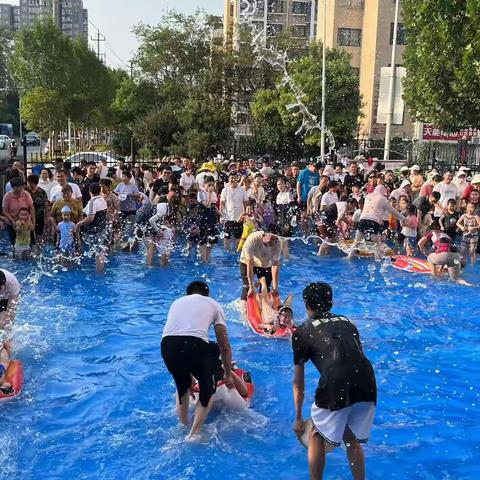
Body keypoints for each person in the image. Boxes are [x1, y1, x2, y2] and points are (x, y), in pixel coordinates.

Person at [292, 282, 377, 480]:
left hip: (337, 382)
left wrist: (297, 417)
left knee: (315, 435)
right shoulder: (348, 322)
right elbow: (352, 356)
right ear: (331, 302)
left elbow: (298, 382)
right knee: (350, 436)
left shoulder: (302, 332)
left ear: (306, 303)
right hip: (368, 381)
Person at [161, 281, 234, 440]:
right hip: (195, 346)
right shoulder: (213, 304)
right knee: (208, 387)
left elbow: (178, 337)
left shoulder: (176, 303)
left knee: (182, 385)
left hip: (167, 346)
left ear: (189, 294)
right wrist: (227, 373)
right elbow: (224, 344)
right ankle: (195, 433)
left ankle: (182, 424)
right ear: (206, 295)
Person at [348, 185, 405, 260]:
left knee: (356, 242)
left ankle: (349, 257)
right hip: (373, 222)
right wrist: (403, 218)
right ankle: (377, 260)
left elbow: (373, 209)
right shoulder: (383, 199)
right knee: (377, 244)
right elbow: (392, 211)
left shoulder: (368, 196)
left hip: (362, 220)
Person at [239, 226, 281, 305]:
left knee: (266, 288)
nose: (274, 241)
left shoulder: (278, 242)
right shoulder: (253, 239)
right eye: (272, 238)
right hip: (246, 262)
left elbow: (275, 265)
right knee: (247, 287)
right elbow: (250, 264)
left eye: (275, 239)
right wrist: (251, 286)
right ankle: (243, 308)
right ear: (264, 235)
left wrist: (275, 287)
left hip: (265, 263)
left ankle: (264, 305)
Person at [74, 183, 108, 273]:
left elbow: (90, 218)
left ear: (90, 192)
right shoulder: (102, 200)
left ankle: (99, 272)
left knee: (97, 252)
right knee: (100, 251)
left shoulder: (93, 202)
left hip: (94, 231)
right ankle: (101, 270)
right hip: (102, 229)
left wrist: (78, 224)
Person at [2, 177, 35, 248]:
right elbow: (5, 211)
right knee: (14, 242)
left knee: (30, 242)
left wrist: (32, 221)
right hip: (13, 221)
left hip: (26, 221)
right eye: (17, 187)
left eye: (21, 187)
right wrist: (12, 221)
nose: (19, 189)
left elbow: (31, 208)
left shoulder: (26, 194)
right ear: (12, 187)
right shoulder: (7, 196)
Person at [220, 172, 249, 252]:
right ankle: (227, 253)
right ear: (229, 179)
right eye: (232, 178)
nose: (233, 180)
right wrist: (222, 216)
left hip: (239, 217)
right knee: (227, 237)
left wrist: (245, 216)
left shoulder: (242, 190)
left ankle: (237, 253)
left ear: (238, 179)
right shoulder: (225, 190)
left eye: (235, 178)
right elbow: (222, 204)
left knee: (238, 238)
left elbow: (246, 203)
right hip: (228, 217)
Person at [0, 269, 20, 354]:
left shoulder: (12, 283)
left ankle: (6, 351)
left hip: (7, 297)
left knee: (4, 323)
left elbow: (11, 313)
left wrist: (6, 336)